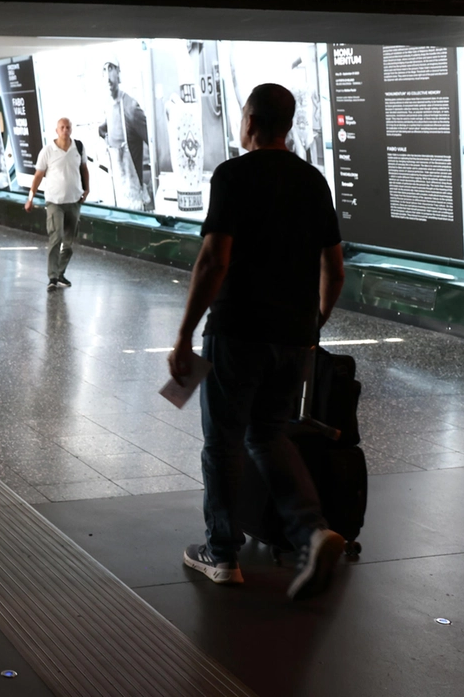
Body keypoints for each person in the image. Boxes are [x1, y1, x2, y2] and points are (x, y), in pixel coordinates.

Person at [168, 84, 347, 601]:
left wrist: (184, 334)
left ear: (249, 121)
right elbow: (333, 269)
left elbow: (214, 260)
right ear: (287, 126)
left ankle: (222, 554)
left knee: (222, 441)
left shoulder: (233, 175)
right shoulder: (313, 181)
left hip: (238, 333)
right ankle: (312, 533)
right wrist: (312, 324)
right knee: (269, 436)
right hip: (292, 338)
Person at [25, 118, 89, 290]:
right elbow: (38, 175)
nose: (65, 130)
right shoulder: (48, 150)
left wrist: (87, 189)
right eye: (62, 127)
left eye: (68, 127)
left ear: (71, 129)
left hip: (74, 201)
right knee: (56, 237)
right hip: (55, 202)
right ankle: (52, 277)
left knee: (69, 242)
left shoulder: (78, 147)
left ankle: (60, 273)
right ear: (57, 130)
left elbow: (84, 169)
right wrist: (30, 197)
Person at [98, 61, 154, 211]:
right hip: (117, 202)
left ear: (118, 72)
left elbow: (156, 146)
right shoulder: (107, 108)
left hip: (136, 204)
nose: (108, 75)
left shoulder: (131, 108)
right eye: (104, 69)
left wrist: (150, 186)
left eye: (111, 68)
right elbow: (103, 129)